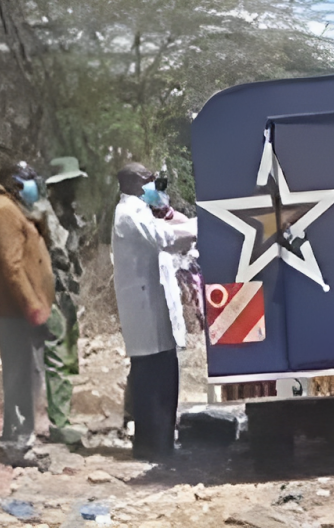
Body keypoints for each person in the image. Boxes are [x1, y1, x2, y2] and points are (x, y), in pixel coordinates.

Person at [112, 163, 195, 459]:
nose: (154, 185)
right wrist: (201, 227)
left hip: (154, 308)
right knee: (152, 383)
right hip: (144, 311)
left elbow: (169, 233)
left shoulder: (142, 211)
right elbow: (164, 238)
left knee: (163, 378)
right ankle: (151, 447)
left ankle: (161, 444)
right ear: (134, 183)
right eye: (149, 180)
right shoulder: (129, 213)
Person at [0, 162, 55, 444]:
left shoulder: (7, 207)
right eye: (29, 180)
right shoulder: (3, 211)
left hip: (15, 308)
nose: (34, 185)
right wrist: (33, 307)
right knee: (21, 374)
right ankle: (19, 441)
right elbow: (12, 267)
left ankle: (18, 434)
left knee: (22, 372)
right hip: (14, 310)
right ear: (14, 183)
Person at [30, 157, 87, 442]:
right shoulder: (39, 214)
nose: (74, 189)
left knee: (64, 359)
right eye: (69, 184)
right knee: (52, 358)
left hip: (64, 295)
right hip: (44, 294)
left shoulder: (70, 217)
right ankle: (55, 424)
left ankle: (59, 419)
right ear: (56, 186)